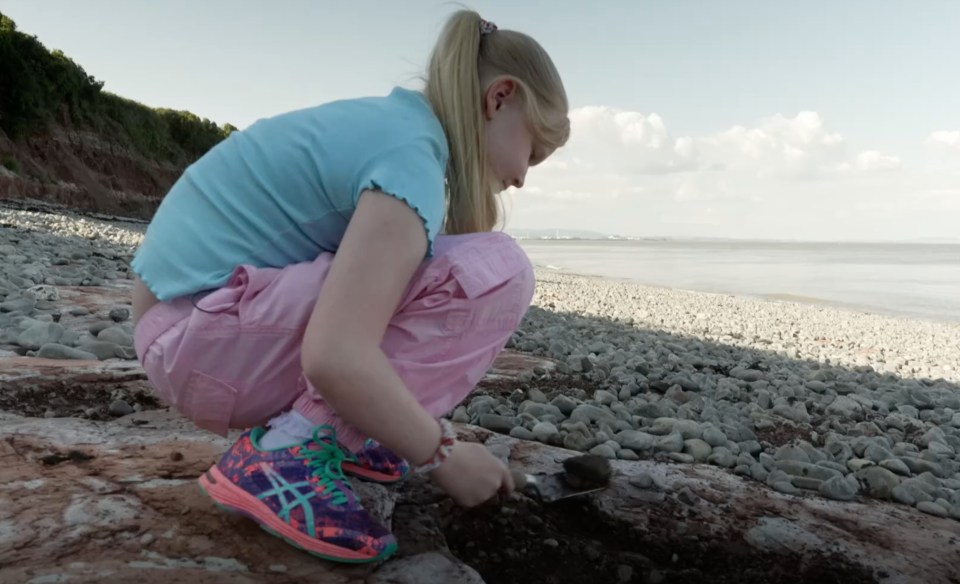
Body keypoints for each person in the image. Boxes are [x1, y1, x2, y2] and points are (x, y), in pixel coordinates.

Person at [130, 9, 569, 564]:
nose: (525, 175)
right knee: (500, 269)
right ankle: (288, 452)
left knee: (431, 271)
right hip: (197, 344)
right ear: (500, 97)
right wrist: (442, 454)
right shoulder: (410, 160)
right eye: (534, 151)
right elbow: (335, 355)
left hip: (190, 332)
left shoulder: (394, 131)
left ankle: (352, 430)